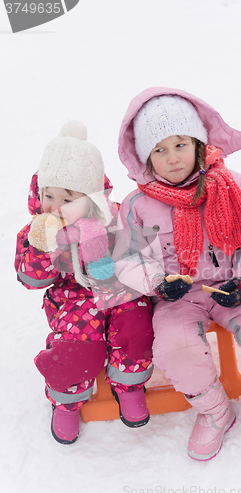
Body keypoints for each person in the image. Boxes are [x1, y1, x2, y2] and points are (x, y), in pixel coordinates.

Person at [113, 88, 241, 463]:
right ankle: (214, 411)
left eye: (179, 144)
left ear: (197, 142)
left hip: (234, 284)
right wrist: (155, 283)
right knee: (173, 347)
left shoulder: (233, 187)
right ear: (147, 156)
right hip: (178, 297)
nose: (171, 158)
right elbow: (126, 258)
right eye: (159, 150)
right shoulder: (138, 206)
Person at [15, 120, 154, 445]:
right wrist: (40, 248)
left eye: (68, 197)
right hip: (70, 300)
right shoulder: (38, 230)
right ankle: (66, 398)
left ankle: (128, 384)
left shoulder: (112, 217)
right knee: (77, 344)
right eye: (49, 195)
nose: (56, 206)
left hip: (118, 288)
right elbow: (30, 279)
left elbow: (137, 253)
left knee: (134, 327)